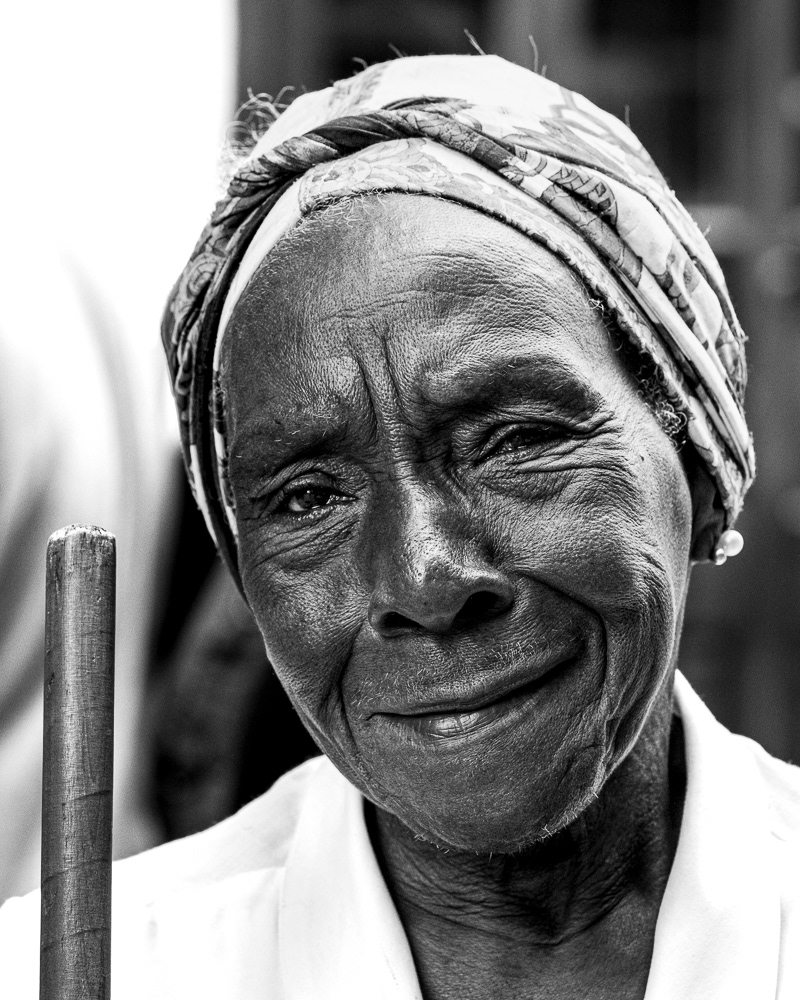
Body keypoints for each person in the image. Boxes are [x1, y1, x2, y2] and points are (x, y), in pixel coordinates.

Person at [2, 53, 799, 998]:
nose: (423, 578)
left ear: (701, 462)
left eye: (514, 440)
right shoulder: (103, 969)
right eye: (306, 498)